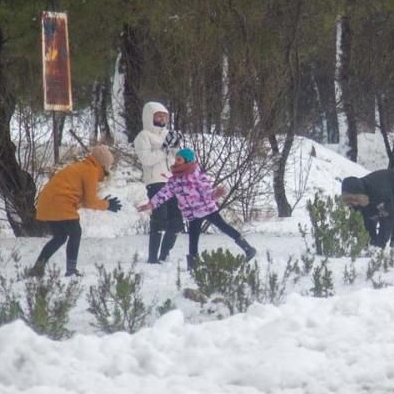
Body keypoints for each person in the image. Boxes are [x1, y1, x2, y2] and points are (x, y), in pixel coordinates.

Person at [137, 148, 256, 270]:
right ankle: (193, 265)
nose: (176, 162)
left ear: (187, 161)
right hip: (192, 214)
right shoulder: (174, 180)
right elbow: (164, 193)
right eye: (176, 159)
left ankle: (248, 249)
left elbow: (207, 191)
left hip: (207, 209)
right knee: (193, 239)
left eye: (179, 159)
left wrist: (215, 195)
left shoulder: (197, 175)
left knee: (224, 227)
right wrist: (152, 204)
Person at [28, 145, 122, 277]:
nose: (108, 170)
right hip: (60, 203)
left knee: (60, 237)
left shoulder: (82, 167)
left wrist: (103, 203)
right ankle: (71, 270)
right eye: (108, 166)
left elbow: (81, 199)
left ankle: (38, 268)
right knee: (75, 232)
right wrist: (107, 205)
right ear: (103, 164)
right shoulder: (91, 171)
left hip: (48, 203)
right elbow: (90, 202)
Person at [134, 102, 185, 263]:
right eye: (159, 115)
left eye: (165, 116)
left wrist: (176, 146)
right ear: (150, 117)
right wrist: (164, 148)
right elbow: (147, 159)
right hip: (155, 181)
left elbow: (178, 159)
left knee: (176, 221)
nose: (162, 119)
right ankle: (153, 257)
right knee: (159, 218)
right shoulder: (143, 136)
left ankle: (164, 255)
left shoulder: (168, 134)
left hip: (172, 181)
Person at [340, 169, 394, 248]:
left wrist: (379, 245)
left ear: (362, 195)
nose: (353, 203)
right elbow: (363, 221)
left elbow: (387, 220)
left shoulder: (379, 195)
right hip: (387, 188)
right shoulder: (357, 197)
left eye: (356, 199)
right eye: (349, 201)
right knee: (368, 217)